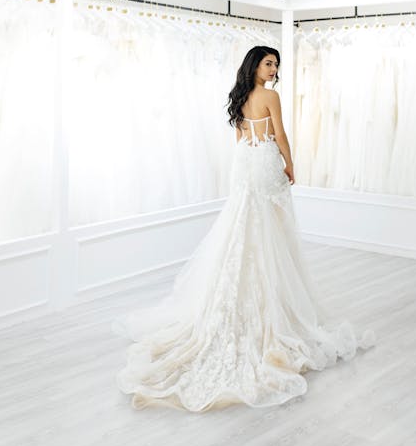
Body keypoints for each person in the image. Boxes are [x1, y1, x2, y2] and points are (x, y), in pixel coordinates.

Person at [112, 45, 376, 412]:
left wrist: (249, 164)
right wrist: (290, 164)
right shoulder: (270, 96)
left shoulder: (240, 97)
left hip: (246, 162)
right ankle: (273, 300)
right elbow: (280, 134)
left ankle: (246, 295)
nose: (274, 69)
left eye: (276, 65)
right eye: (269, 63)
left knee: (246, 225)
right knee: (271, 229)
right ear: (255, 65)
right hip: (265, 159)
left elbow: (239, 140)